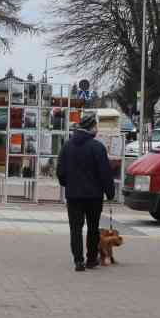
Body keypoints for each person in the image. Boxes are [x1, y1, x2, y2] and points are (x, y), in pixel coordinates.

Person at [56, 113, 116, 272]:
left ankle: (78, 261)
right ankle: (91, 259)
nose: (97, 129)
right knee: (93, 227)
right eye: (96, 126)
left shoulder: (67, 146)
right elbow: (105, 173)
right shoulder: (97, 147)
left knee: (75, 228)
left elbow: (60, 171)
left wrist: (67, 184)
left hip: (73, 195)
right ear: (91, 128)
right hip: (94, 196)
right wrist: (110, 192)